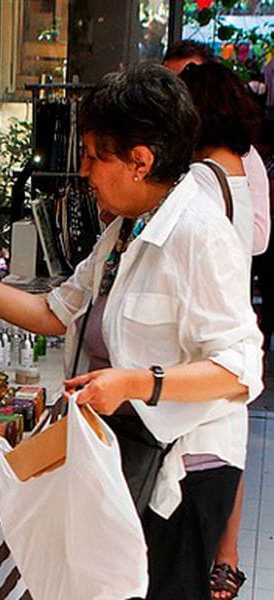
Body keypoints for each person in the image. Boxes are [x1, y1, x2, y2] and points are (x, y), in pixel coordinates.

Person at [0, 63, 263, 599]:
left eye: (96, 156)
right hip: (128, 450)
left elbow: (241, 369)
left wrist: (133, 382)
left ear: (140, 162)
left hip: (184, 469)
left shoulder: (199, 234)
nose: (85, 171)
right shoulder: (127, 228)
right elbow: (54, 312)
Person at [171, 52, 270, 600]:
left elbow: (257, 239)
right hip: (223, 336)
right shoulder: (234, 170)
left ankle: (223, 557)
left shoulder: (203, 181)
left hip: (209, 339)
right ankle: (223, 557)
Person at [164, 40, 270, 256]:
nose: (174, 95)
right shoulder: (169, 146)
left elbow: (258, 238)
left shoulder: (232, 159)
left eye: (186, 82)